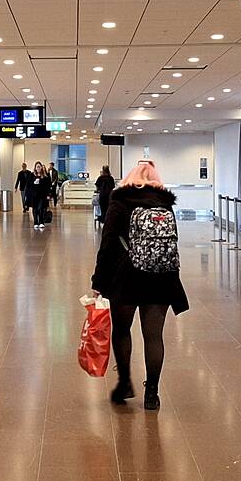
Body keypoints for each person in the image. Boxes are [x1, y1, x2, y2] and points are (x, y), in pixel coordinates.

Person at [90, 160, 188, 411]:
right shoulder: (164, 203)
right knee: (153, 336)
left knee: (122, 330)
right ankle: (152, 394)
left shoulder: (120, 200)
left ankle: (125, 383)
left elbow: (108, 242)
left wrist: (98, 281)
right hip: (161, 276)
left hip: (126, 276)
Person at [29, 161, 53, 229]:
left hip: (42, 196)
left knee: (41, 209)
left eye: (39, 167)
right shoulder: (32, 175)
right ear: (35, 168)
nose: (38, 168)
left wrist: (48, 195)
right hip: (34, 196)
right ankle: (36, 222)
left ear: (41, 168)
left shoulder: (45, 177)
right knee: (35, 209)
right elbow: (29, 185)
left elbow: (48, 186)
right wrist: (34, 183)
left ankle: (41, 222)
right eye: (37, 167)